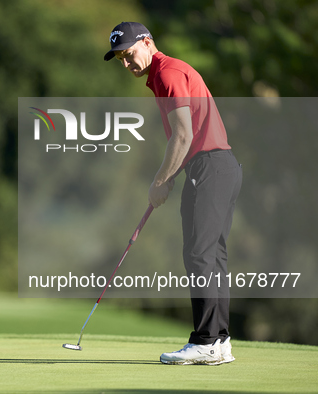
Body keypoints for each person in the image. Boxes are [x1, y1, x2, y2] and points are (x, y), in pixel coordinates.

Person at [104, 22, 242, 365]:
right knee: (212, 256)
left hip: (210, 167)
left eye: (129, 53)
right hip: (217, 167)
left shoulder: (167, 72)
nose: (126, 64)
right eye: (120, 58)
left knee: (199, 254)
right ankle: (219, 340)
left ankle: (207, 340)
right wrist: (171, 176)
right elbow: (186, 137)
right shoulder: (163, 76)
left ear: (148, 42)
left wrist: (160, 180)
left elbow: (183, 135)